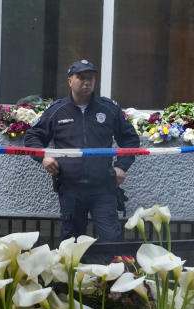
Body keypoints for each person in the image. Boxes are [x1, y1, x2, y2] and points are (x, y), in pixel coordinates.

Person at [24, 59, 140, 249]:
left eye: (91, 78)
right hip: (70, 188)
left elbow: (131, 141)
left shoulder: (109, 109)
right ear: (70, 81)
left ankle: (107, 278)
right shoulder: (57, 111)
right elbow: (32, 138)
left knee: (111, 240)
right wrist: (44, 157)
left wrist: (121, 166)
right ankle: (72, 279)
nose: (87, 82)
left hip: (103, 187)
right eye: (81, 78)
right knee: (71, 244)